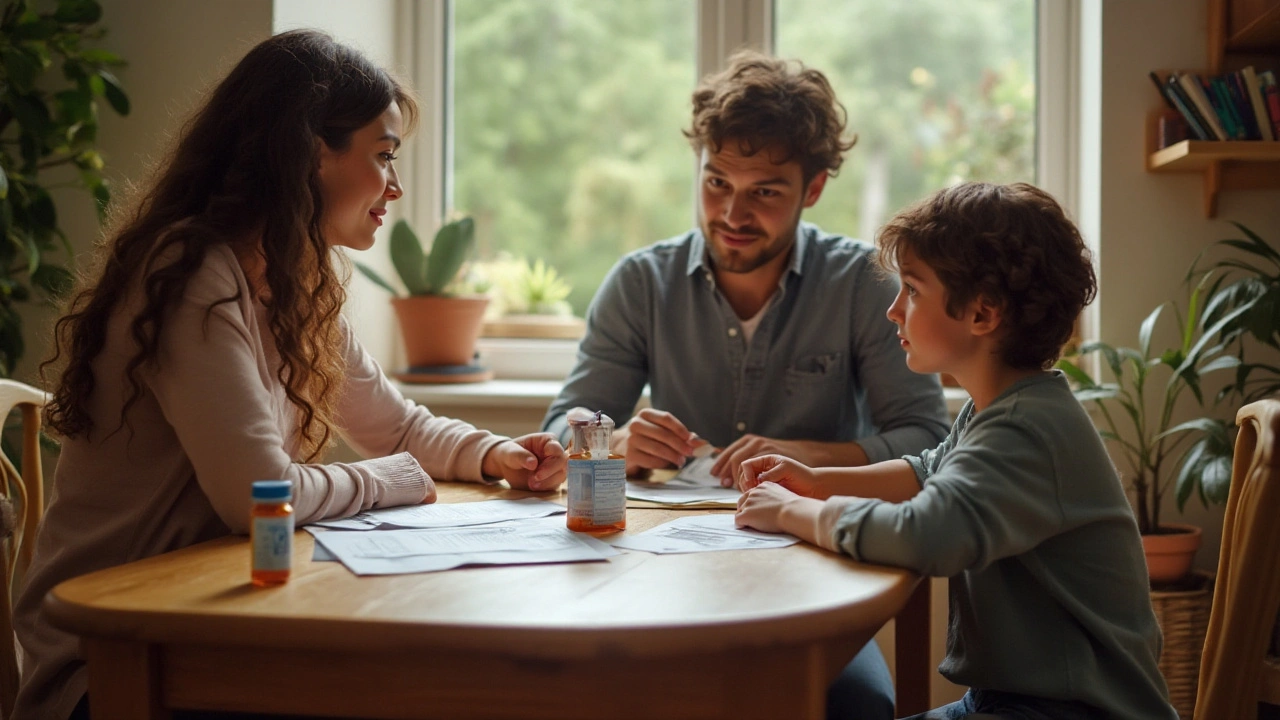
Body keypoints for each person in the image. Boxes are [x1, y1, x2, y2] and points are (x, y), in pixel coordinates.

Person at [15, 31, 567, 720]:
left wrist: (496, 455)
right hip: (110, 665)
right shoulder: (190, 272)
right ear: (311, 152)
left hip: (211, 624)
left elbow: (396, 425)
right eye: (383, 157)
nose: (394, 186)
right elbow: (256, 496)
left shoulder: (290, 278)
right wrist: (386, 480)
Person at [543, 50, 949, 720]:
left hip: (815, 570)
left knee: (858, 709)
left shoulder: (863, 285)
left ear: (813, 189)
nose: (732, 212)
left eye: (764, 191)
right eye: (716, 182)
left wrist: (807, 456)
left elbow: (927, 439)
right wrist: (614, 440)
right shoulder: (641, 283)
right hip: (658, 572)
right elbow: (561, 431)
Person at [735, 182, 1179, 720]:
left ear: (983, 314)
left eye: (914, 291)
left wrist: (791, 511)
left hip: (1075, 711)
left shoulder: (1025, 430)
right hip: (1018, 702)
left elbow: (927, 534)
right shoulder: (1002, 406)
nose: (893, 311)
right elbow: (929, 471)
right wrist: (818, 478)